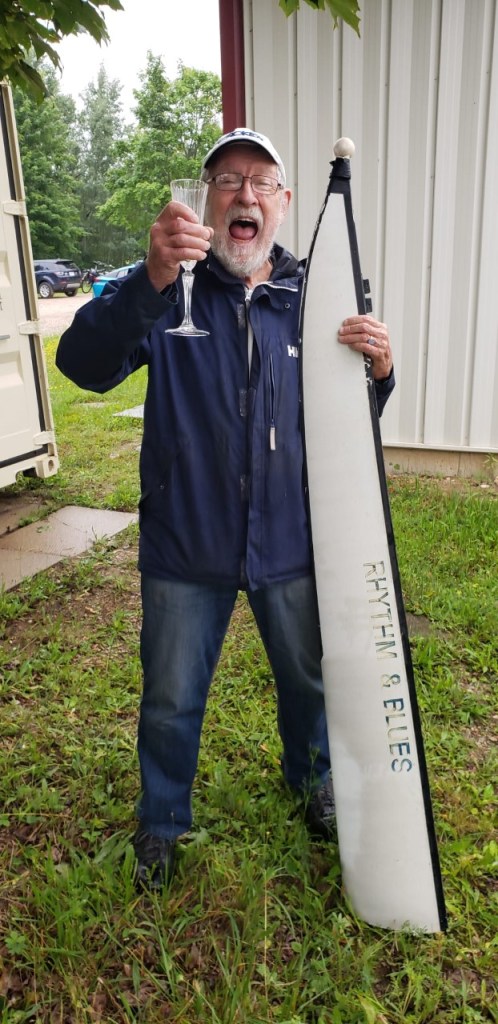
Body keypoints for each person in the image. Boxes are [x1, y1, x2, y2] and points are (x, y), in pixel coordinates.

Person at [56, 127, 394, 891]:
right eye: (228, 180)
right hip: (186, 540)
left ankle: (312, 781)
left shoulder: (317, 294)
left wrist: (380, 371)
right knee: (170, 697)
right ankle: (162, 821)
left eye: (261, 182)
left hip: (292, 541)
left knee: (308, 682)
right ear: (207, 200)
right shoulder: (163, 284)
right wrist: (147, 279)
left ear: (283, 202)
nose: (245, 194)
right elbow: (82, 366)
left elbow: (351, 418)